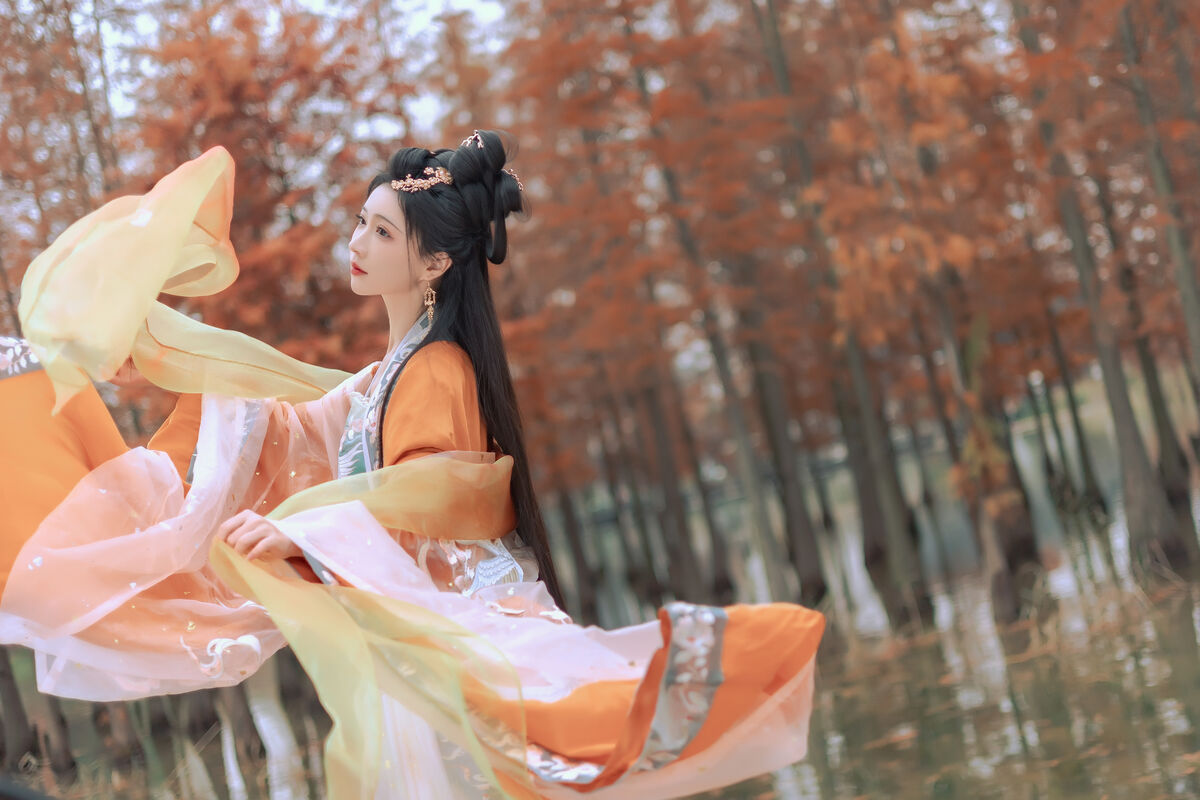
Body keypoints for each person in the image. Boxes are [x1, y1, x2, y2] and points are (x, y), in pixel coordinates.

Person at [0, 132, 824, 799]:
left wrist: (301, 533)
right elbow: (286, 428)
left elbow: (430, 494)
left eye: (383, 233)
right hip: (421, 644)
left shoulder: (438, 370)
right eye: (361, 223)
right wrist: (162, 361)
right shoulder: (388, 374)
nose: (357, 244)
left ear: (434, 264)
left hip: (462, 639)